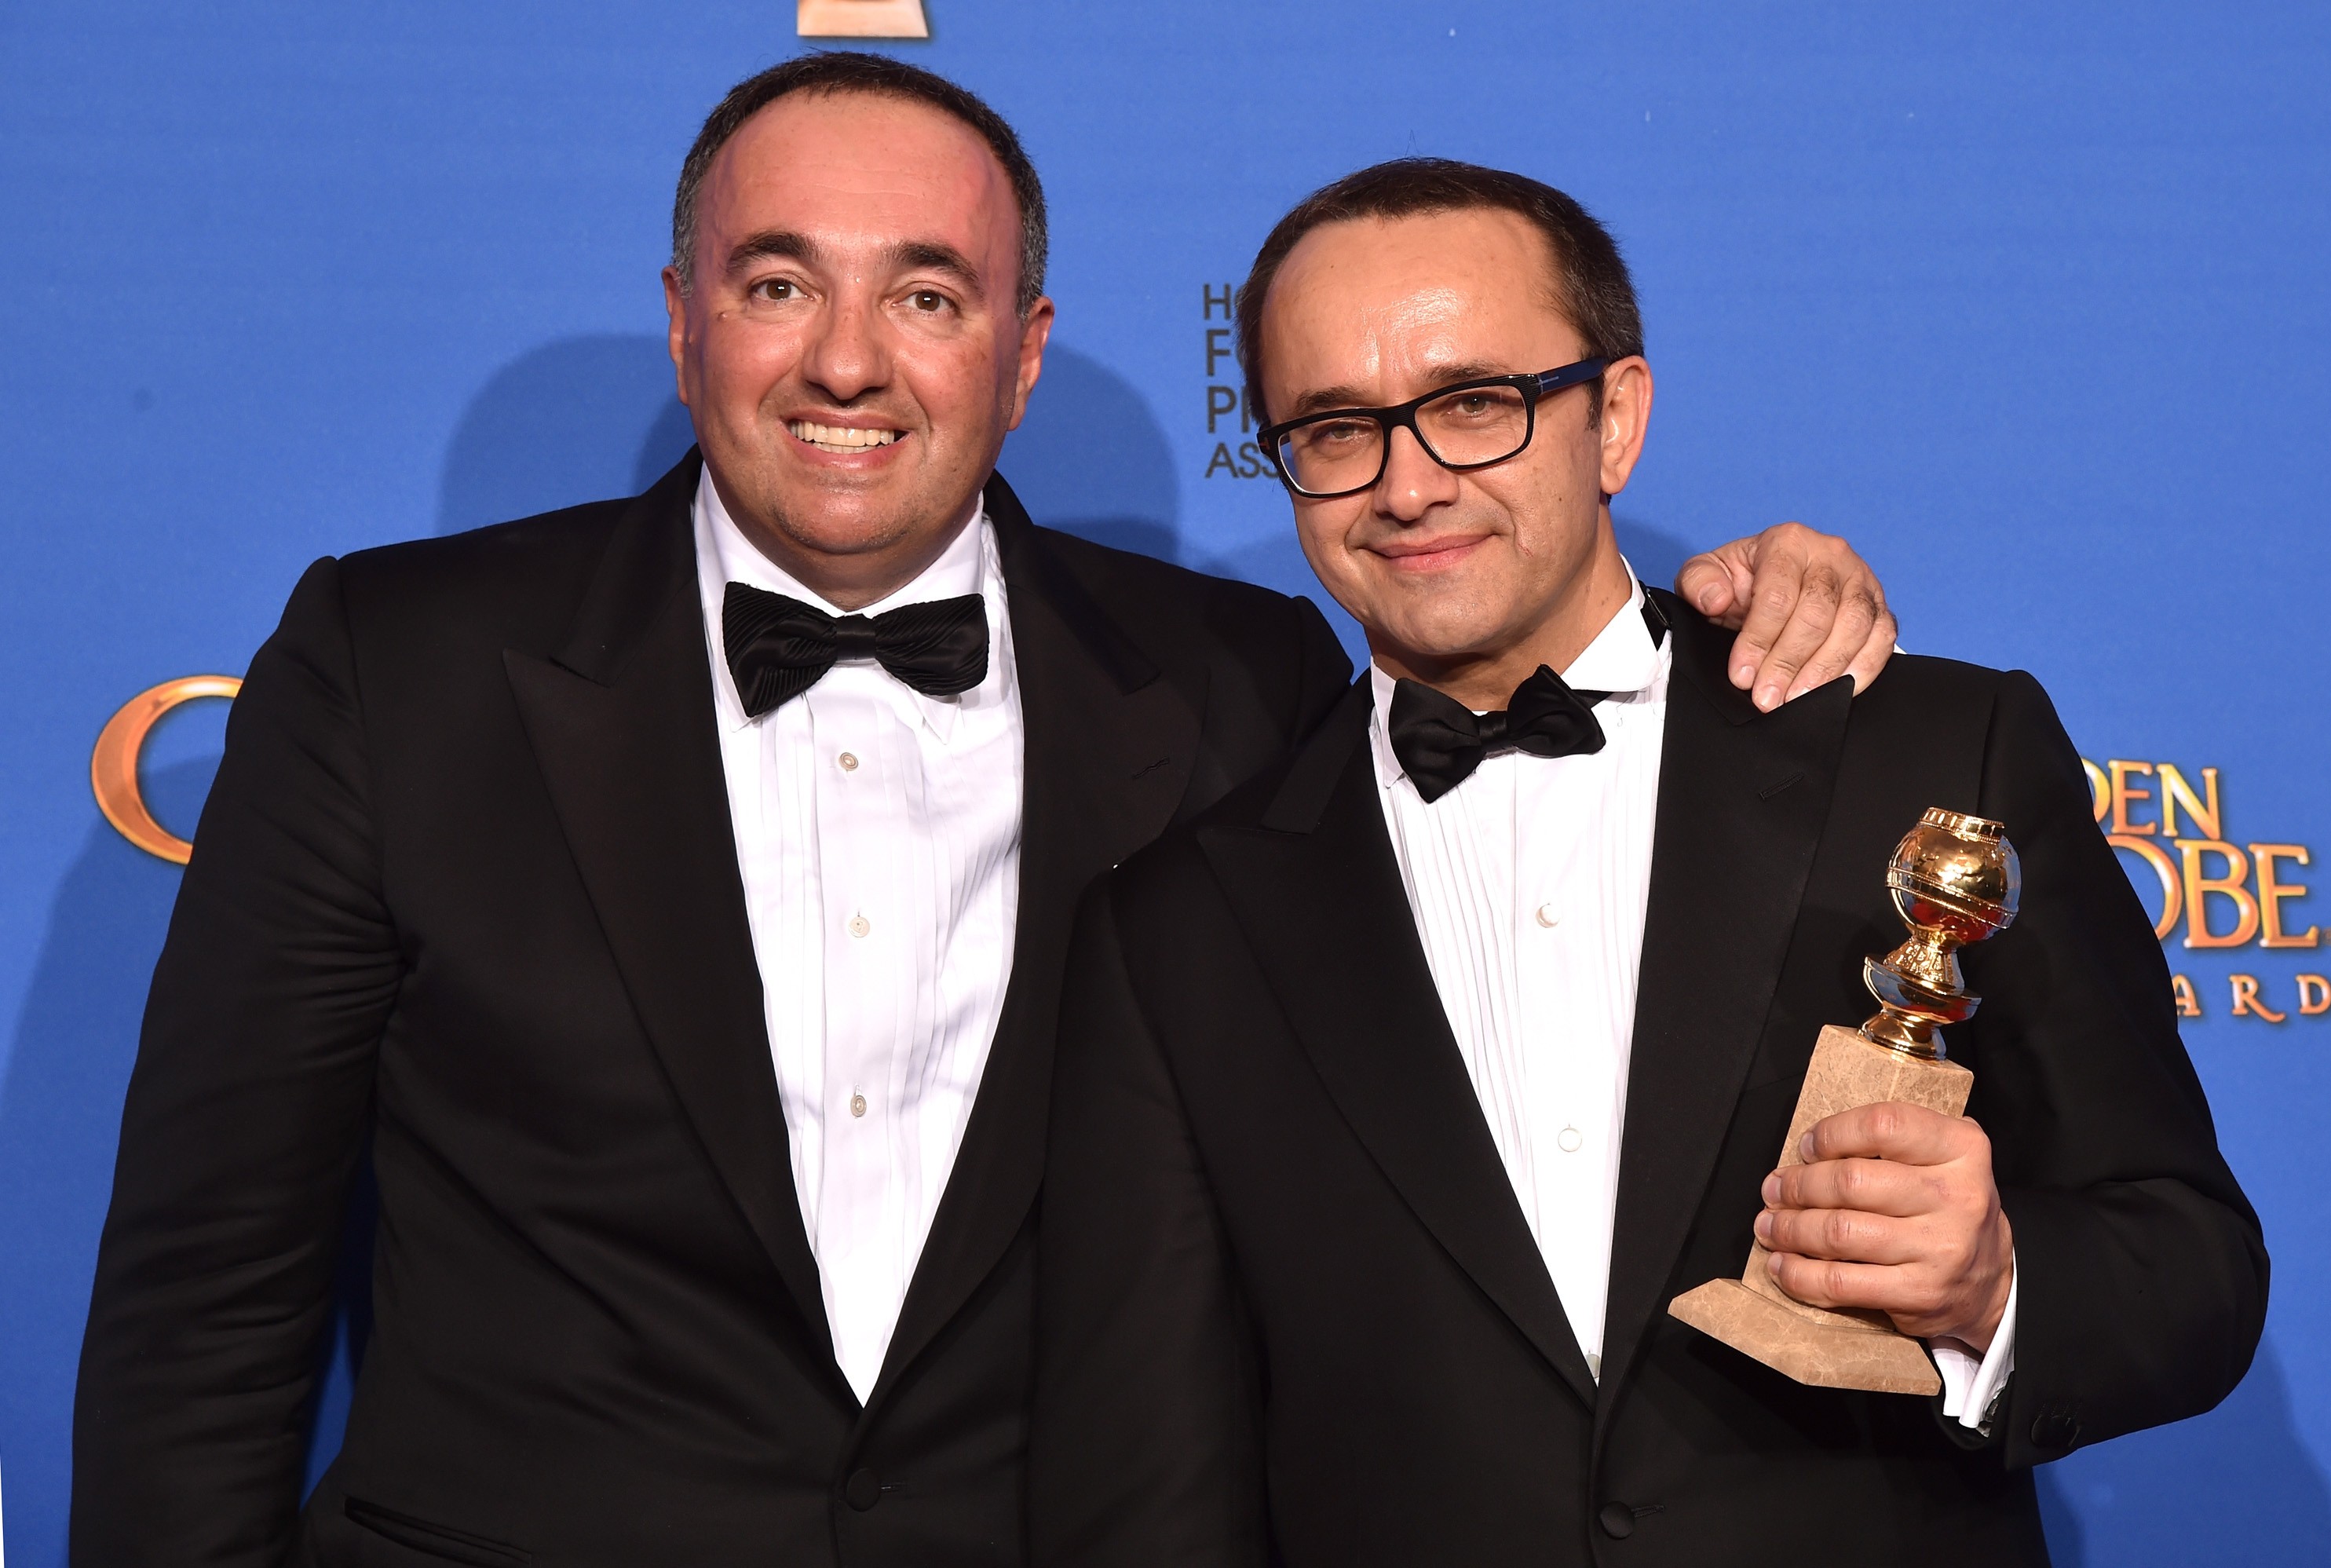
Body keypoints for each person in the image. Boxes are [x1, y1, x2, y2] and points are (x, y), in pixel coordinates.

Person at [71, 57, 1898, 1568]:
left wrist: (1738, 611)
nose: (846, 362)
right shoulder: (399, 667)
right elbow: (211, 1279)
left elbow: (1537, 784)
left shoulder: (1242, 684)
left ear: (1022, 355)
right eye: (777, 284)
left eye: (927, 296)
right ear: (684, 324)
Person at [1028, 158, 2267, 1567]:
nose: (1407, 484)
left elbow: (2192, 1261)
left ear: (1613, 418)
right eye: (1335, 428)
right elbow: (1153, 1491)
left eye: (1475, 403)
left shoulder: (1931, 754)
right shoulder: (1179, 926)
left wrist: (1998, 1285)